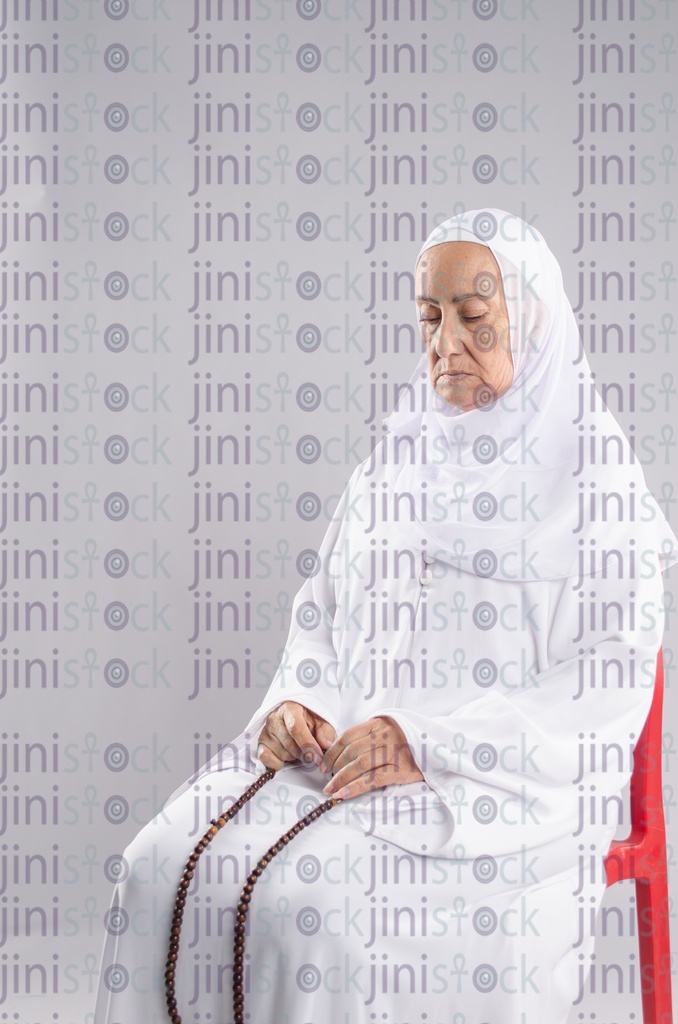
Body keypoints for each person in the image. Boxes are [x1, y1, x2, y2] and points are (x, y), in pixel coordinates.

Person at [94, 208, 677, 1024]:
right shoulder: (398, 460)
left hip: (494, 791)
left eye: (474, 320)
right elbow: (324, 615)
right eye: (429, 320)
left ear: (533, 322)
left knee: (307, 913)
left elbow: (606, 686)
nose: (445, 345)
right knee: (154, 868)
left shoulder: (597, 485)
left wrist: (428, 741)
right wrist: (301, 705)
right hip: (344, 761)